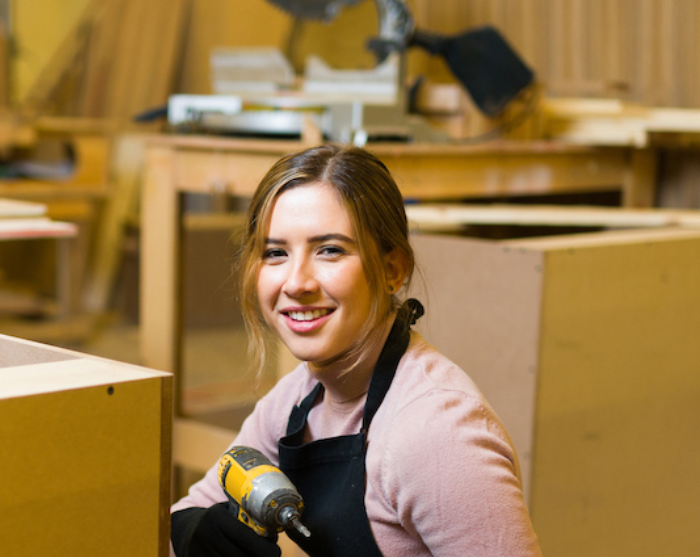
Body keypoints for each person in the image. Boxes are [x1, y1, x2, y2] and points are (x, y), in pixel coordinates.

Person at [169, 144, 541, 557]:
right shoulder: (298, 399)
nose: (297, 282)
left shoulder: (438, 434)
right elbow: (183, 514)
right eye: (276, 253)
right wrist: (190, 530)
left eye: (330, 250)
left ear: (392, 270)